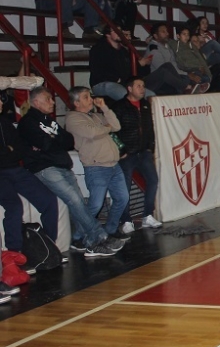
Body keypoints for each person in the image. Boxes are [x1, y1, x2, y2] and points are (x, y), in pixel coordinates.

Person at [18, 87, 124, 257]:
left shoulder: (49, 121)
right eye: (48, 99)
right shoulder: (28, 123)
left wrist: (54, 141)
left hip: (62, 165)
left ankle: (85, 240)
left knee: (79, 203)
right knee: (75, 200)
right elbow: (48, 143)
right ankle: (99, 237)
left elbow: (68, 140)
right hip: (44, 168)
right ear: (36, 102)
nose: (53, 102)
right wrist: (54, 141)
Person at [0, 92, 60, 276]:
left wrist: (8, 152)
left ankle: (48, 246)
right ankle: (15, 254)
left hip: (15, 170)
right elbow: (12, 151)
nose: (1, 103)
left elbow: (19, 148)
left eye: (1, 100)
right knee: (14, 207)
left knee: (49, 200)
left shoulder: (5, 122)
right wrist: (8, 151)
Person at [65, 87, 131, 238]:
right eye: (86, 97)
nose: (91, 99)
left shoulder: (95, 116)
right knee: (95, 205)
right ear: (76, 102)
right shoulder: (73, 118)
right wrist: (105, 128)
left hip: (114, 165)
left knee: (122, 198)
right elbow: (92, 132)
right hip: (96, 167)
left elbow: (116, 125)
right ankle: (78, 236)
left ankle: (111, 230)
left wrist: (104, 108)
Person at [114, 77, 162, 232]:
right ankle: (126, 220)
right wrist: (121, 151)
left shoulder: (145, 105)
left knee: (153, 181)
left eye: (143, 86)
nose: (142, 89)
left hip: (144, 152)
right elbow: (113, 131)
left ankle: (148, 215)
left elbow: (150, 128)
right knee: (124, 187)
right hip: (128, 154)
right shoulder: (119, 106)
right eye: (139, 86)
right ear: (129, 88)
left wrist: (150, 147)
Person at [89, 28, 158, 100]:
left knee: (151, 96)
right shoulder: (99, 48)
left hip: (123, 83)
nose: (120, 33)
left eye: (121, 31)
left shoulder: (123, 51)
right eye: (116, 31)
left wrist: (144, 65)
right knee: (126, 95)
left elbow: (133, 73)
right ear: (108, 34)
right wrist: (117, 79)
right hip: (102, 83)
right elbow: (97, 70)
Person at [146, 23, 208, 95]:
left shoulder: (168, 46)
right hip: (160, 80)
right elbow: (162, 68)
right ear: (155, 36)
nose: (167, 33)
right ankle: (186, 88)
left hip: (172, 75)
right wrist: (186, 75)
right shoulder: (153, 48)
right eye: (163, 32)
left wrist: (187, 74)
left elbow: (174, 64)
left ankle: (192, 87)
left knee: (193, 74)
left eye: (166, 31)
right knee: (169, 67)